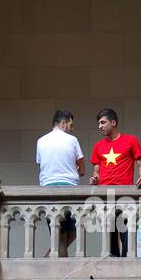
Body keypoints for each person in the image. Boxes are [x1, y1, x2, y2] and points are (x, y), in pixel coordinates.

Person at [88, 107, 141, 257]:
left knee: (127, 235)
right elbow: (96, 172)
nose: (99, 126)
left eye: (103, 122)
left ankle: (127, 265)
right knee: (110, 239)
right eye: (99, 123)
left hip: (125, 195)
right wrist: (94, 178)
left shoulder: (130, 140)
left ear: (113, 122)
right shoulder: (98, 146)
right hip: (105, 196)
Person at [37, 110, 84, 256]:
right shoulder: (72, 140)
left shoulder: (41, 141)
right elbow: (82, 169)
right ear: (63, 123)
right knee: (64, 236)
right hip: (68, 189)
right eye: (70, 124)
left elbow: (41, 165)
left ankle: (46, 258)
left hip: (47, 190)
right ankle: (58, 271)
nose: (71, 128)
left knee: (65, 234)